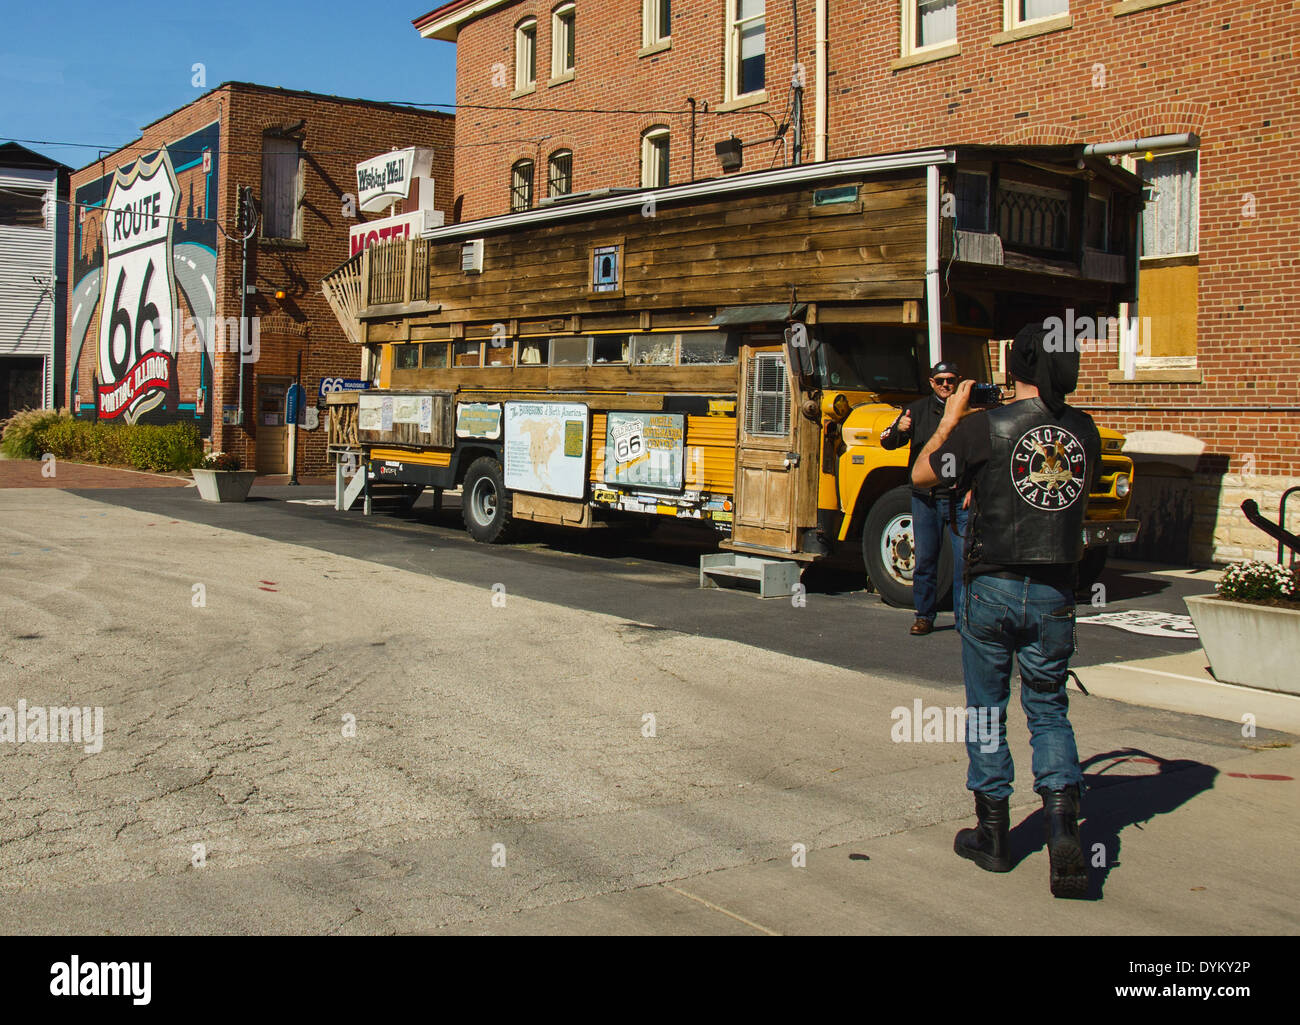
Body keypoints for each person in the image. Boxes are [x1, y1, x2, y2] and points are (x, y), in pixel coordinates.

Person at [910, 322, 1100, 899]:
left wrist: (952, 416)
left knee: (987, 708)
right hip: (1055, 591)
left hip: (991, 585)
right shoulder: (1084, 431)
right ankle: (1063, 823)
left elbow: (921, 474)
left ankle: (993, 835)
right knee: (1048, 707)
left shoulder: (983, 429)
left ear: (1014, 366)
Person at [880, 361, 970, 635]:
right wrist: (901, 429)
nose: (945, 385)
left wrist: (973, 488)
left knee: (964, 562)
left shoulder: (971, 411)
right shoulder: (916, 410)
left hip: (958, 498)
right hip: (926, 498)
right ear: (931, 383)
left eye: (951, 380)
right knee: (926, 560)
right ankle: (924, 615)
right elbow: (887, 441)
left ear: (958, 381)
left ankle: (963, 619)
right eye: (940, 380)